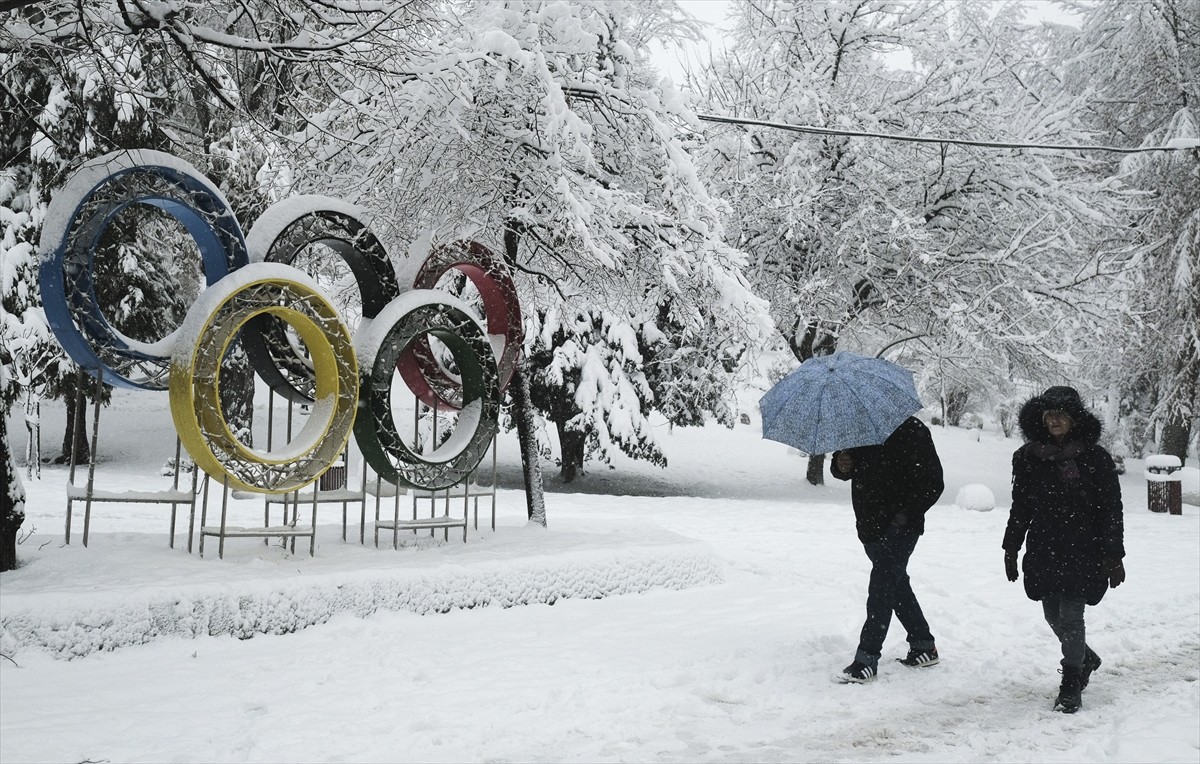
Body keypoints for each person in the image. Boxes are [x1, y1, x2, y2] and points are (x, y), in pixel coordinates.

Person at [1004, 385, 1125, 714]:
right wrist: (1010, 547)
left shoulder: (1095, 459)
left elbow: (1111, 509)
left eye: (1061, 415)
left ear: (1074, 419)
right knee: (1052, 615)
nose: (1055, 420)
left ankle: (1072, 682)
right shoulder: (1028, 457)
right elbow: (1021, 507)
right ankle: (1084, 657)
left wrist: (1114, 555)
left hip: (1083, 547)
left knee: (1071, 617)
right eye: (1049, 414)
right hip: (1044, 546)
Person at [830, 416, 945, 683]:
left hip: (901, 527)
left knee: (881, 587)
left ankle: (866, 659)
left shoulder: (913, 431)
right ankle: (923, 645)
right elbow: (846, 469)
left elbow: (934, 483)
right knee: (895, 585)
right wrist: (841, 465)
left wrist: (904, 515)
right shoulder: (855, 429)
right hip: (869, 526)